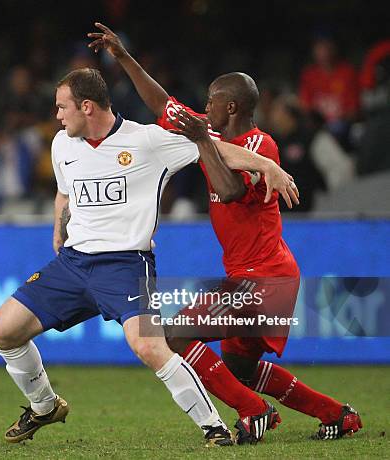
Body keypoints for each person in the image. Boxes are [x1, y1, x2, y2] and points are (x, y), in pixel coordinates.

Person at [0, 68, 299, 447]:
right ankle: (45, 406)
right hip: (72, 265)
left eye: (61, 107)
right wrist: (58, 228)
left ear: (86, 106)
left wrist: (267, 165)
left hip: (125, 265)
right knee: (1, 331)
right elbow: (64, 193)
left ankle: (213, 427)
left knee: (150, 345)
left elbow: (214, 149)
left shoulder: (148, 140)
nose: (57, 116)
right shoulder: (61, 144)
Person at [88, 22, 362, 442]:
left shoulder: (260, 146)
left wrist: (201, 142)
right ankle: (337, 415)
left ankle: (253, 411)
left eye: (212, 102)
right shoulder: (209, 131)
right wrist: (123, 57)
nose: (205, 107)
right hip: (250, 275)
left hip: (264, 278)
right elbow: (162, 102)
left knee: (177, 334)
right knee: (240, 369)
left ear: (231, 107)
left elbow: (231, 190)